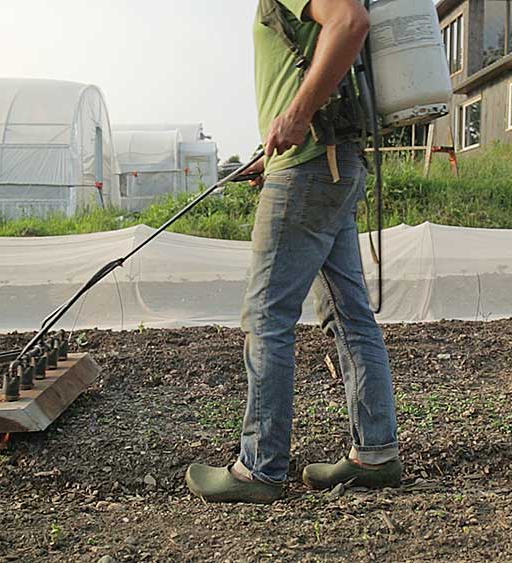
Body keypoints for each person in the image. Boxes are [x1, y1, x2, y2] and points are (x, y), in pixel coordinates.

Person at [185, 0, 400, 504]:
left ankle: (259, 469)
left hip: (308, 167)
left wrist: (298, 116)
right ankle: (375, 453)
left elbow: (350, 23)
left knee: (267, 315)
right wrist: (279, 141)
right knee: (349, 315)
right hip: (328, 162)